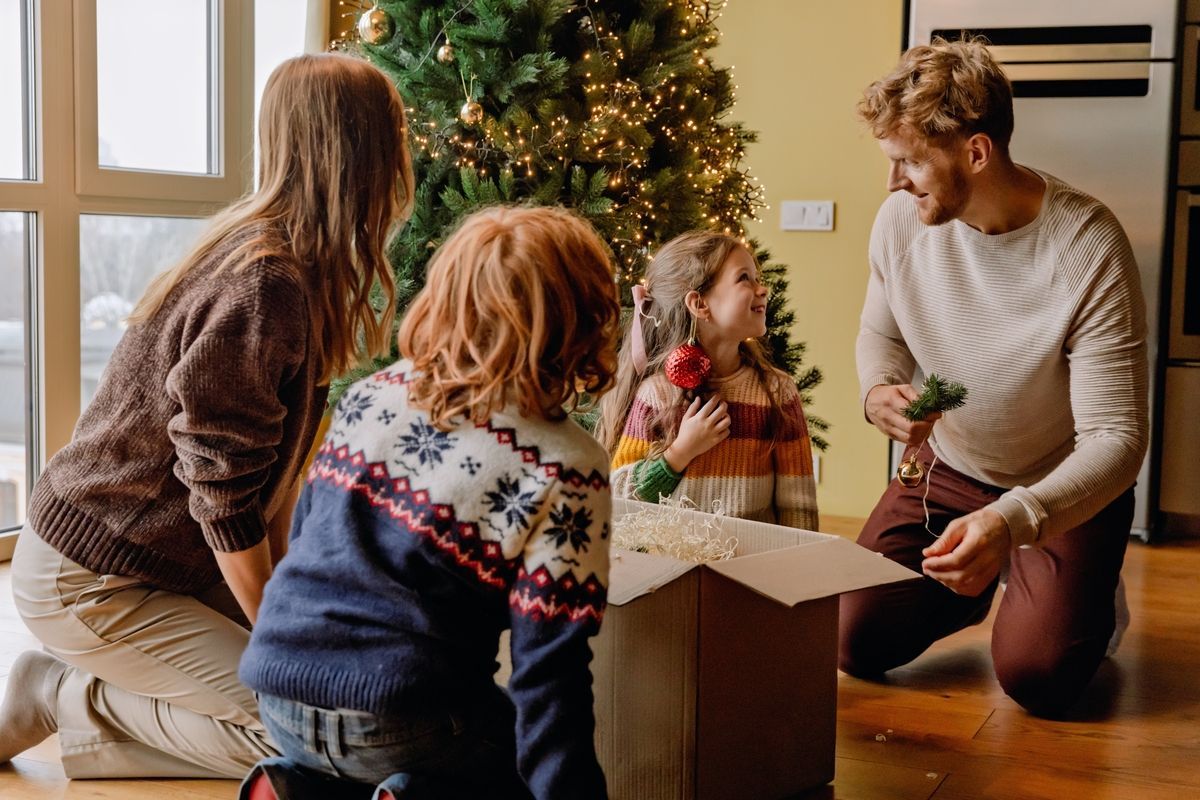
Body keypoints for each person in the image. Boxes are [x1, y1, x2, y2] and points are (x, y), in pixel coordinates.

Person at [0, 53, 415, 777]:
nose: (408, 149)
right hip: (92, 576)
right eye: (398, 131)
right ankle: (63, 694)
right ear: (361, 152)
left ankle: (82, 692)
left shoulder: (292, 269)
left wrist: (303, 612)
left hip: (158, 565)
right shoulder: (264, 280)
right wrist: (282, 636)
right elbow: (222, 492)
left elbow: (264, 485)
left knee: (341, 702)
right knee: (305, 736)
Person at [238, 205, 621, 800]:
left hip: (278, 694)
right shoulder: (565, 463)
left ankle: (296, 787)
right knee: (508, 762)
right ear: (580, 319)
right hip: (403, 715)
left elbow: (306, 543)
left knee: (386, 745)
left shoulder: (370, 396)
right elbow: (551, 674)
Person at [838, 38, 1148, 717]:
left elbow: (1116, 439)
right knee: (851, 638)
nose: (893, 183)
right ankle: (977, 583)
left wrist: (1012, 522)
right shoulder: (901, 223)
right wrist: (877, 389)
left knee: (1039, 676)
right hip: (948, 467)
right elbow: (879, 334)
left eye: (909, 162)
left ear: (975, 153)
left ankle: (1072, 582)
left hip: (1056, 485)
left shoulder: (1088, 246)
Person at [596, 231, 818, 530]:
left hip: (751, 568)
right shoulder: (658, 395)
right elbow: (619, 497)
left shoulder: (777, 392)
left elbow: (798, 502)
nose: (762, 289)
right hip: (673, 566)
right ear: (699, 304)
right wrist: (679, 453)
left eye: (757, 277)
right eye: (744, 278)